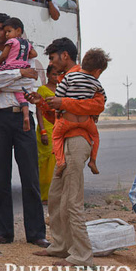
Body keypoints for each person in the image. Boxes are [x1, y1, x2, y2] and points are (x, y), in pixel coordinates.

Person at [32, 38, 106, 266]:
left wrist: (63, 103)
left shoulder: (86, 78)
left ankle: (82, 255)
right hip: (65, 143)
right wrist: (44, 104)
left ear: (65, 56)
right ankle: (61, 246)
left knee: (72, 200)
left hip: (77, 141)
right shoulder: (67, 80)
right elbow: (57, 117)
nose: (52, 64)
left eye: (53, 58)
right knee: (55, 197)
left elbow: (97, 106)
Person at [0, 12, 48, 247]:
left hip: (23, 118)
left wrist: (3, 76)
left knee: (30, 177)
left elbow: (31, 83)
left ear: (13, 30)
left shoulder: (25, 50)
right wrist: (18, 73)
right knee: (1, 178)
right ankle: (4, 232)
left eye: (2, 29)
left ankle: (37, 233)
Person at [50, 48, 109, 177]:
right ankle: (93, 161)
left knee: (56, 137)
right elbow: (103, 99)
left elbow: (58, 97)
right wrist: (95, 115)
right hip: (85, 122)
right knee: (95, 137)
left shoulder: (69, 77)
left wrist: (59, 110)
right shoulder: (96, 82)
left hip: (67, 120)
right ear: (98, 71)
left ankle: (60, 162)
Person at [0, 17, 37, 129]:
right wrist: (21, 73)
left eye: (1, 30)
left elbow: (28, 83)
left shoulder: (17, 49)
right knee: (21, 95)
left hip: (20, 116)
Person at [34, 63, 60, 202]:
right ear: (48, 75)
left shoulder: (62, 89)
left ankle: (54, 195)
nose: (56, 77)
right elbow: (39, 112)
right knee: (45, 163)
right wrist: (43, 132)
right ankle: (44, 196)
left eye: (58, 74)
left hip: (59, 130)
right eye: (54, 74)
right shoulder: (42, 90)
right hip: (46, 130)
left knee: (57, 163)